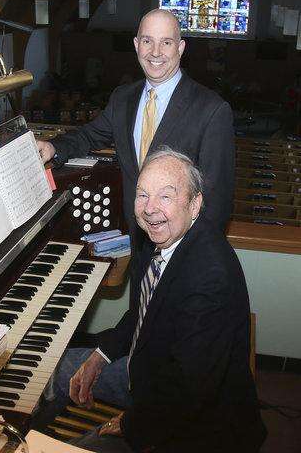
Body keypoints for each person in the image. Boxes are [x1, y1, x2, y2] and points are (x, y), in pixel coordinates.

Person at [31, 147, 266, 453]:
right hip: (149, 369)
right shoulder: (159, 237)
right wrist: (100, 357)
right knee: (58, 367)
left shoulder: (209, 278)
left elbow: (189, 390)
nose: (149, 208)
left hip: (198, 423)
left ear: (195, 204)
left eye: (165, 196)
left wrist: (131, 423)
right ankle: (26, 432)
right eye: (142, 195)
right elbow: (144, 309)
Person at [37, 9, 235, 241]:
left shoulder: (212, 110)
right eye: (147, 41)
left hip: (183, 243)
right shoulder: (123, 98)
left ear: (180, 48)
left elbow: (217, 201)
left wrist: (189, 253)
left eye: (166, 42)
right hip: (136, 236)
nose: (155, 52)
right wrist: (53, 147)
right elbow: (89, 135)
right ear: (136, 45)